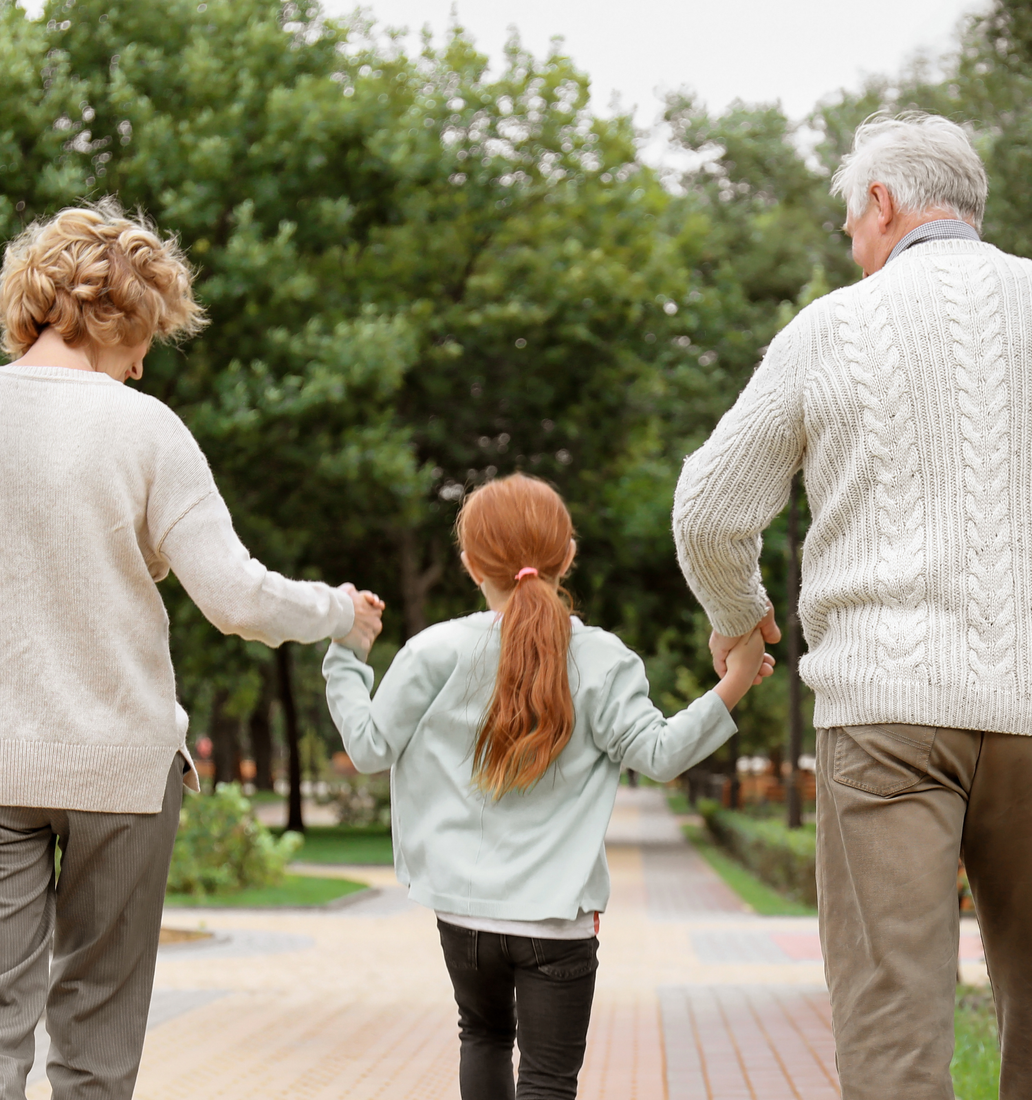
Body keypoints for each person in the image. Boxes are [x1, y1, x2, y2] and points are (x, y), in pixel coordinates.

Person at [0, 199, 383, 1100]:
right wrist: (338, 612)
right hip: (119, 772)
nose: (144, 364)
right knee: (97, 1039)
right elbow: (237, 598)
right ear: (122, 317)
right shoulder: (145, 430)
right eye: (148, 336)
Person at [672, 112, 1032, 1099]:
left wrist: (737, 616)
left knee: (891, 1029)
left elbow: (708, 508)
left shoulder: (834, 324)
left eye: (847, 222)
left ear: (881, 204)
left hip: (886, 713)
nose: (850, 244)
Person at [323, 473, 772, 1100]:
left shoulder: (433, 651)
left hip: (464, 914)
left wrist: (347, 657)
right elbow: (661, 755)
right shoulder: (604, 659)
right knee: (548, 1082)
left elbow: (369, 749)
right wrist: (737, 680)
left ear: (470, 564)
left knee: (481, 1037)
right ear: (568, 556)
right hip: (557, 923)